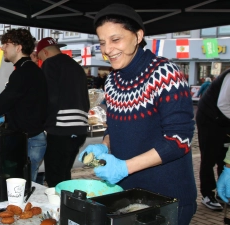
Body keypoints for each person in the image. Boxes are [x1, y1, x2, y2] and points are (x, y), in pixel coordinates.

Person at [78, 4, 196, 224]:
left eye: (116, 40)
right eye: (102, 42)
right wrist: (104, 146)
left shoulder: (165, 73)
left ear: (138, 36)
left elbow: (179, 140)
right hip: (126, 195)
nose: (108, 49)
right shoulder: (112, 80)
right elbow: (114, 128)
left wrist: (124, 167)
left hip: (166, 198)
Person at [0, 28, 48, 183]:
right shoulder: (31, 70)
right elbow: (23, 104)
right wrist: (6, 117)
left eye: (6, 44)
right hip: (32, 137)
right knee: (23, 185)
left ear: (18, 47)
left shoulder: (22, 72)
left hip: (29, 140)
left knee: (21, 187)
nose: (2, 48)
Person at [36, 37, 89, 187]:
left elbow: (48, 97)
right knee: (65, 173)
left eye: (40, 58)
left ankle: (59, 208)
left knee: (54, 177)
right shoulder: (77, 67)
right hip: (80, 129)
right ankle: (66, 204)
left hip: (61, 128)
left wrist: (41, 121)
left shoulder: (50, 64)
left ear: (45, 52)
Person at [196, 68, 230, 211]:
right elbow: (223, 104)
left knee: (224, 156)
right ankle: (207, 194)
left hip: (224, 120)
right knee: (209, 157)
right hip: (209, 119)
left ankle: (223, 193)